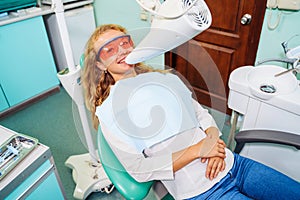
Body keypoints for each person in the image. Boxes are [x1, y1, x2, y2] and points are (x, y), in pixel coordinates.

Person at [82, 24, 300, 200]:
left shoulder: (166, 79)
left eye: (124, 43)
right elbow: (140, 170)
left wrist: (214, 141)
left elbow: (201, 114)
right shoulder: (110, 112)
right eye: (109, 50)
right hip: (203, 191)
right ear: (100, 65)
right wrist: (199, 150)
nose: (121, 50)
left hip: (235, 164)